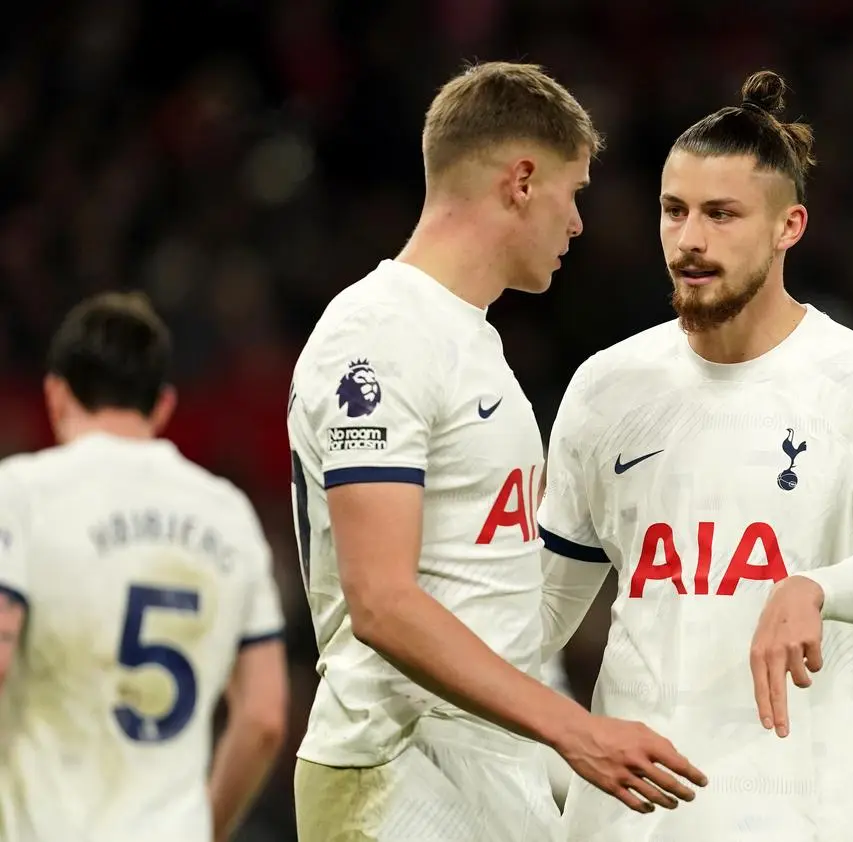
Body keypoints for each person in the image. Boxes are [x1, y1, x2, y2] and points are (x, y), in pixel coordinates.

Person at [287, 61, 706, 842]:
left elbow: (495, 603)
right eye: (573, 191)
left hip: (485, 761)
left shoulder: (471, 343)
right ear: (521, 180)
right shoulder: (378, 336)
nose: (579, 223)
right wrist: (573, 729)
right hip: (394, 766)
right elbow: (381, 601)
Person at [537, 69, 853, 841]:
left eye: (721, 215)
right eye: (674, 211)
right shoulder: (605, 388)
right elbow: (544, 611)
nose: (690, 239)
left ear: (789, 226)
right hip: (629, 821)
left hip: (804, 814)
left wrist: (815, 588)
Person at [0, 292, 289, 842]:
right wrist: (205, 827)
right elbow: (264, 715)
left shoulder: (21, 494)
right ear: (162, 406)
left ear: (56, 395)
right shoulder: (228, 513)